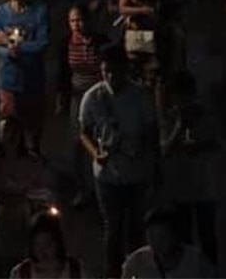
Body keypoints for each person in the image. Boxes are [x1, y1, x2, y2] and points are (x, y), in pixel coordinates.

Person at [79, 45, 159, 279]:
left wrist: (153, 162)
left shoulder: (140, 96)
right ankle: (113, 273)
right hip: (107, 176)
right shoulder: (93, 97)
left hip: (137, 173)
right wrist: (95, 153)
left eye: (115, 71)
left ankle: (136, 272)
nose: (111, 77)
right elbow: (83, 132)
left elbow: (151, 132)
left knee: (137, 227)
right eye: (106, 72)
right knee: (112, 228)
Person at [160, 72, 220, 264]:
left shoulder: (206, 116)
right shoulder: (170, 119)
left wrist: (198, 146)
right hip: (180, 190)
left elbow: (217, 145)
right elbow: (165, 150)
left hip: (204, 189)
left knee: (207, 237)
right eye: (178, 96)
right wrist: (179, 126)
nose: (182, 101)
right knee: (184, 240)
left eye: (185, 96)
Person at [0, 0, 50, 151]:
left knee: (33, 131)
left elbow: (42, 43)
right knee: (9, 131)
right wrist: (8, 52)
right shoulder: (0, 14)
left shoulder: (39, 11)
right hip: (9, 82)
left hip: (32, 81)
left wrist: (15, 46)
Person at [56, 5, 108, 207]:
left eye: (80, 20)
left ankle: (101, 188)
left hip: (99, 98)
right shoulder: (66, 43)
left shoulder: (100, 42)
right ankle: (82, 189)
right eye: (72, 21)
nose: (76, 25)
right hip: (78, 98)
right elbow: (63, 73)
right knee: (76, 144)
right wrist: (61, 99)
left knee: (99, 142)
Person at [0, 116, 52, 265]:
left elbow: (43, 189)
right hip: (5, 222)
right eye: (6, 131)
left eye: (14, 131)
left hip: (29, 220)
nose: (11, 135)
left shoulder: (32, 160)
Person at [121, 207, 216, 278]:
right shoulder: (136, 262)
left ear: (175, 235)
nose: (157, 243)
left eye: (163, 237)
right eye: (152, 237)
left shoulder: (196, 262)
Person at [8, 211, 84, 279]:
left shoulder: (75, 270)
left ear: (57, 243)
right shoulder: (22, 273)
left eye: (48, 244)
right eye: (37, 244)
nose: (42, 251)